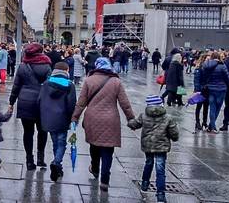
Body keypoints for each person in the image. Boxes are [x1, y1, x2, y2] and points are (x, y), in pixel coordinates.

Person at [71, 57, 135, 192]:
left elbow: (81, 102)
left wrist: (75, 118)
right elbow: (125, 103)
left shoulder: (89, 80)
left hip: (92, 118)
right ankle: (105, 180)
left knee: (94, 146)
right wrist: (131, 118)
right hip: (111, 120)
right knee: (108, 150)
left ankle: (94, 168)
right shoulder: (116, 81)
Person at [128, 95, 179, 203]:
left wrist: (130, 123)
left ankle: (145, 185)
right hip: (161, 147)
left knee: (148, 163)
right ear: (161, 104)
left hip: (148, 145)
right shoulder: (168, 117)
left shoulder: (144, 115)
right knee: (160, 169)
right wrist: (174, 138)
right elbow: (174, 133)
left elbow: (135, 124)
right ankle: (160, 195)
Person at [9, 43, 52, 170]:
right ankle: (40, 158)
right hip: (42, 103)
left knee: (28, 132)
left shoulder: (22, 66)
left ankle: (29, 160)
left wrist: (11, 102)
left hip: (25, 102)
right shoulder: (46, 66)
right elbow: (50, 86)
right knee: (43, 131)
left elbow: (16, 86)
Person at [37, 62, 77, 182]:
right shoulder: (70, 85)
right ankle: (56, 162)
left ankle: (58, 166)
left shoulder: (46, 83)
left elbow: (39, 101)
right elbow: (71, 105)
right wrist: (72, 118)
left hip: (48, 118)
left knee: (55, 142)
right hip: (63, 118)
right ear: (67, 70)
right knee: (62, 143)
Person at [203, 52, 229, 133]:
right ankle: (213, 127)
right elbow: (227, 78)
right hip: (221, 90)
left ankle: (211, 126)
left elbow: (204, 77)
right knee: (218, 108)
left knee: (212, 108)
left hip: (211, 89)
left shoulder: (207, 65)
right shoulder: (222, 66)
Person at [193, 54, 209, 131]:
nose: (209, 60)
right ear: (204, 59)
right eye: (207, 59)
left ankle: (205, 122)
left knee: (206, 107)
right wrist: (197, 90)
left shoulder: (209, 68)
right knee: (199, 107)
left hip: (207, 90)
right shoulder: (199, 68)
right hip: (201, 90)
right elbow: (196, 80)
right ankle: (197, 122)